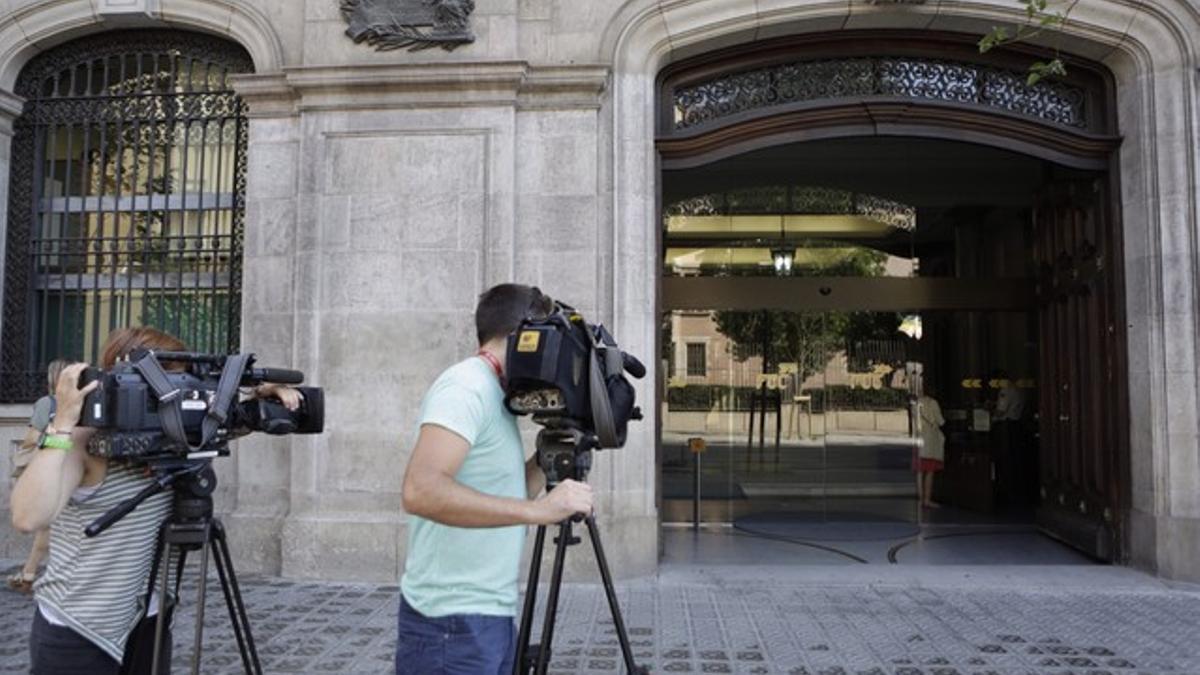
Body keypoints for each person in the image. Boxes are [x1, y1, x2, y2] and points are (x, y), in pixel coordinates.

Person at [9, 327, 300, 674]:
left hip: (149, 620)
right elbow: (27, 517)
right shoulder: (86, 441)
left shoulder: (183, 435)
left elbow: (242, 420)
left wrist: (267, 398)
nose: (173, 396)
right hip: (79, 627)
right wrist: (62, 426)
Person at [397, 284, 596, 675]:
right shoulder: (465, 386)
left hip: (487, 614)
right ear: (524, 337)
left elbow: (502, 492)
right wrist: (540, 512)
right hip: (452, 623)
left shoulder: (497, 394)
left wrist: (544, 458)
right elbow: (420, 490)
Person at [7, 359, 70, 593]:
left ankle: (29, 574)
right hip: (51, 471)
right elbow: (32, 438)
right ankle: (30, 575)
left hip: (67, 469)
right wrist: (62, 442)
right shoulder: (48, 404)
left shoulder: (80, 404)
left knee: (53, 526)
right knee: (49, 525)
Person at [916, 384, 946, 509]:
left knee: (919, 471)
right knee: (929, 471)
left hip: (917, 439)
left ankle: (919, 499)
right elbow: (941, 421)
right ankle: (927, 500)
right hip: (930, 441)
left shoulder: (915, 404)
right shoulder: (932, 403)